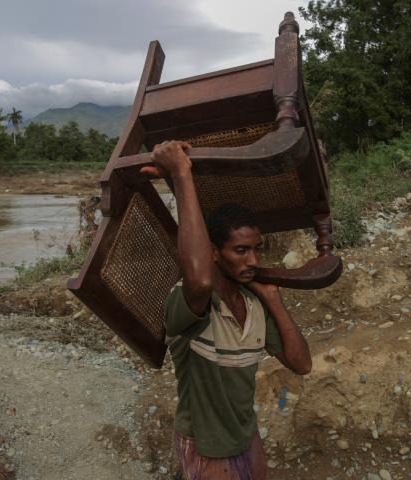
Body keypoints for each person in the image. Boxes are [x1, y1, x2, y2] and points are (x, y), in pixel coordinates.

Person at [143, 141, 312, 480]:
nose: (253, 260)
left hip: (245, 435)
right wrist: (181, 176)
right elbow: (200, 280)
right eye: (240, 250)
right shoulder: (190, 301)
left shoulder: (254, 305)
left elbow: (301, 364)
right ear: (214, 252)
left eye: (255, 250)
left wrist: (273, 298)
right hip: (206, 445)